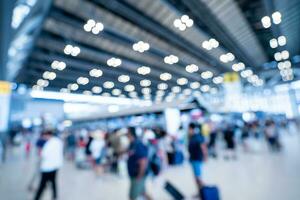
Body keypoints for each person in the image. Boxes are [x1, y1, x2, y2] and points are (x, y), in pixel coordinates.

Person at [34, 130, 63, 200]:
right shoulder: (58, 141)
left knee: (42, 184)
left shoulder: (49, 144)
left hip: (47, 167)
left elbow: (43, 154)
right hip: (56, 166)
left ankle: (36, 198)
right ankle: (55, 196)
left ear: (47, 135)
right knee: (53, 181)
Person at [127, 127, 151, 200]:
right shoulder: (132, 144)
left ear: (131, 134)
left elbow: (143, 161)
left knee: (133, 196)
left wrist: (139, 176)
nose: (126, 135)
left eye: (128, 133)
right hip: (136, 174)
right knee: (143, 192)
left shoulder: (138, 144)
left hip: (137, 175)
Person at [188, 123, 208, 193]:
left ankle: (205, 192)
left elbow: (203, 147)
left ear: (192, 129)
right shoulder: (192, 137)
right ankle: (200, 192)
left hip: (197, 159)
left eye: (189, 129)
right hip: (193, 159)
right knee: (196, 178)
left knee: (198, 177)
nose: (188, 131)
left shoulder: (197, 137)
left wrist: (205, 157)